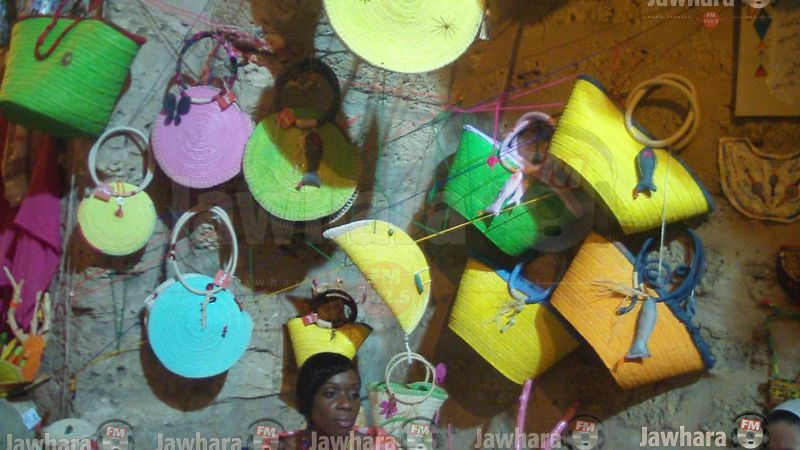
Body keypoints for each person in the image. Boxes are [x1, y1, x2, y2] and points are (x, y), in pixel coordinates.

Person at [279, 352, 397, 450]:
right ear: (307, 400)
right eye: (330, 394)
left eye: (354, 394)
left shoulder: (378, 447)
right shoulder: (284, 447)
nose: (346, 404)